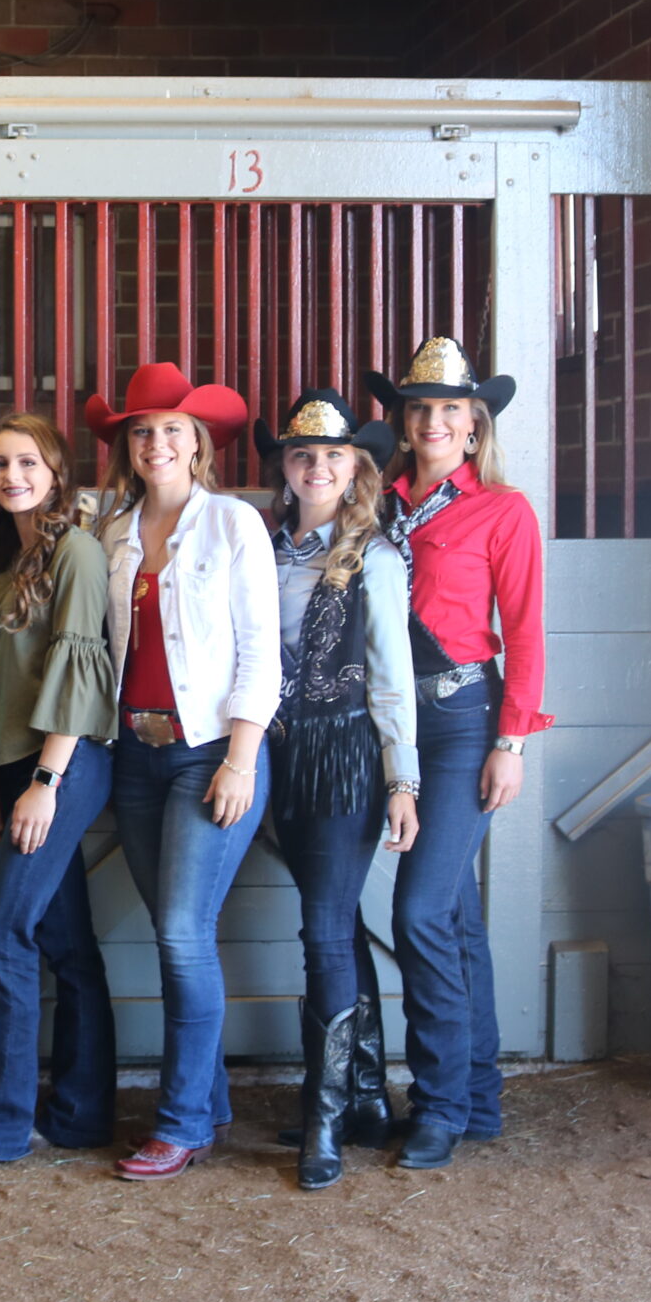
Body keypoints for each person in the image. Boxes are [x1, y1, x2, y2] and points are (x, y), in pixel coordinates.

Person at [86, 363, 278, 1182]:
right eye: (142, 431)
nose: (156, 442)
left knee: (179, 931)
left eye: (171, 428)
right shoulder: (112, 533)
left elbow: (261, 655)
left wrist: (241, 756)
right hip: (134, 753)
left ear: (198, 442)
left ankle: (182, 1121)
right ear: (127, 448)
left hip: (211, 754)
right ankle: (211, 1100)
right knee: (180, 932)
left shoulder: (235, 525)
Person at [365, 338, 553, 1171]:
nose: (434, 420)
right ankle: (477, 1095)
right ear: (404, 424)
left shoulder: (502, 510)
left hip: (464, 718)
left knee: (418, 910)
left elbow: (528, 630)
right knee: (456, 917)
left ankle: (438, 1101)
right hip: (389, 720)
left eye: (450, 408)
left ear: (474, 426)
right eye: (419, 408)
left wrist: (511, 740)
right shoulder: (378, 505)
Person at [0, 415, 119, 1172]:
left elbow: (79, 671)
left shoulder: (76, 549)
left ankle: (1, 1128)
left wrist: (43, 782)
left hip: (64, 761)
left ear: (55, 470)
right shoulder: (7, 558)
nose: (13, 475)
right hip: (19, 766)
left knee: (2, 931)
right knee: (65, 940)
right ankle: (80, 1114)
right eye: (0, 464)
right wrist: (1, 780)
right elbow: (4, 683)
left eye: (27, 461)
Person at [254, 390, 421, 1191]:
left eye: (332, 454)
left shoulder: (375, 558)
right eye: (300, 454)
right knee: (340, 922)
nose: (316, 466)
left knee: (322, 931)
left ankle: (321, 1117)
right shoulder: (263, 546)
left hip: (345, 757)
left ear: (354, 466)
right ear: (284, 469)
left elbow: (393, 679)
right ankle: (362, 1095)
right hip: (279, 756)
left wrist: (403, 778)